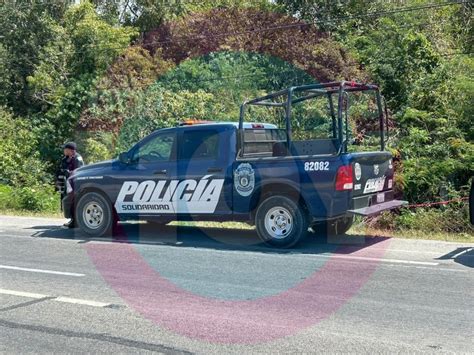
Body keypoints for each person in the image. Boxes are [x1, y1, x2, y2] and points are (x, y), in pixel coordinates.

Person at [56, 142, 84, 228]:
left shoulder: (77, 159)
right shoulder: (66, 158)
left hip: (75, 184)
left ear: (70, 150)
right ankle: (73, 219)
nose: (64, 150)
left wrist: (69, 172)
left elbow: (79, 171)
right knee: (67, 201)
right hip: (68, 183)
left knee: (72, 201)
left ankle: (75, 221)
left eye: (65, 149)